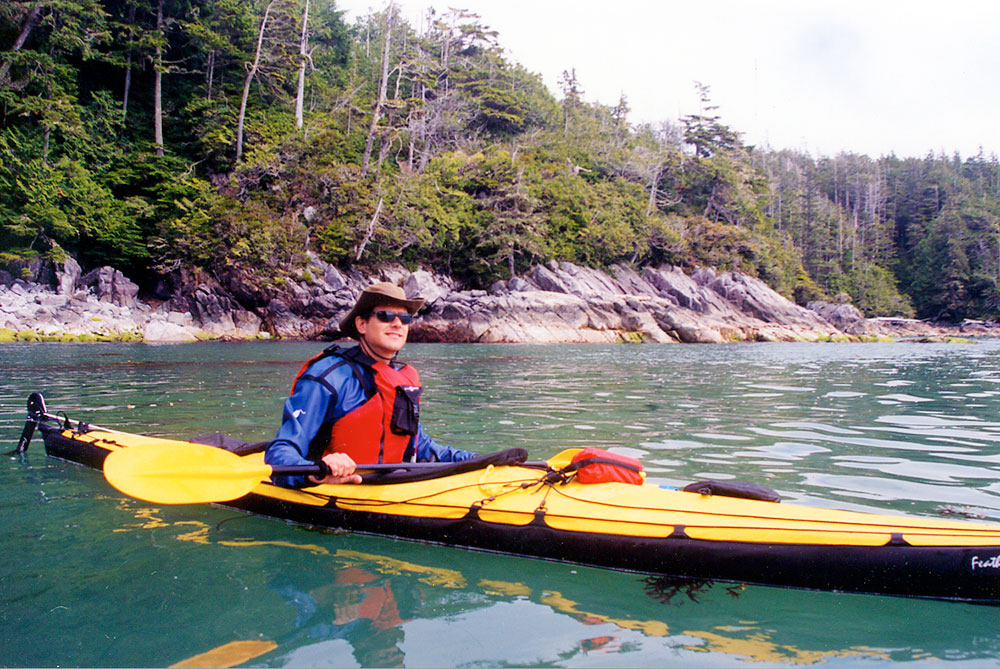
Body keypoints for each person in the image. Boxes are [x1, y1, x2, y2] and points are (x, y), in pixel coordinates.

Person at [265, 281, 477, 487]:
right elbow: (280, 452)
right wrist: (318, 471)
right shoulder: (328, 376)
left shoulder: (403, 378)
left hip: (389, 485)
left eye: (404, 319)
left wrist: (478, 460)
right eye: (385, 316)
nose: (397, 324)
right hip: (331, 488)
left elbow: (420, 447)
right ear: (362, 324)